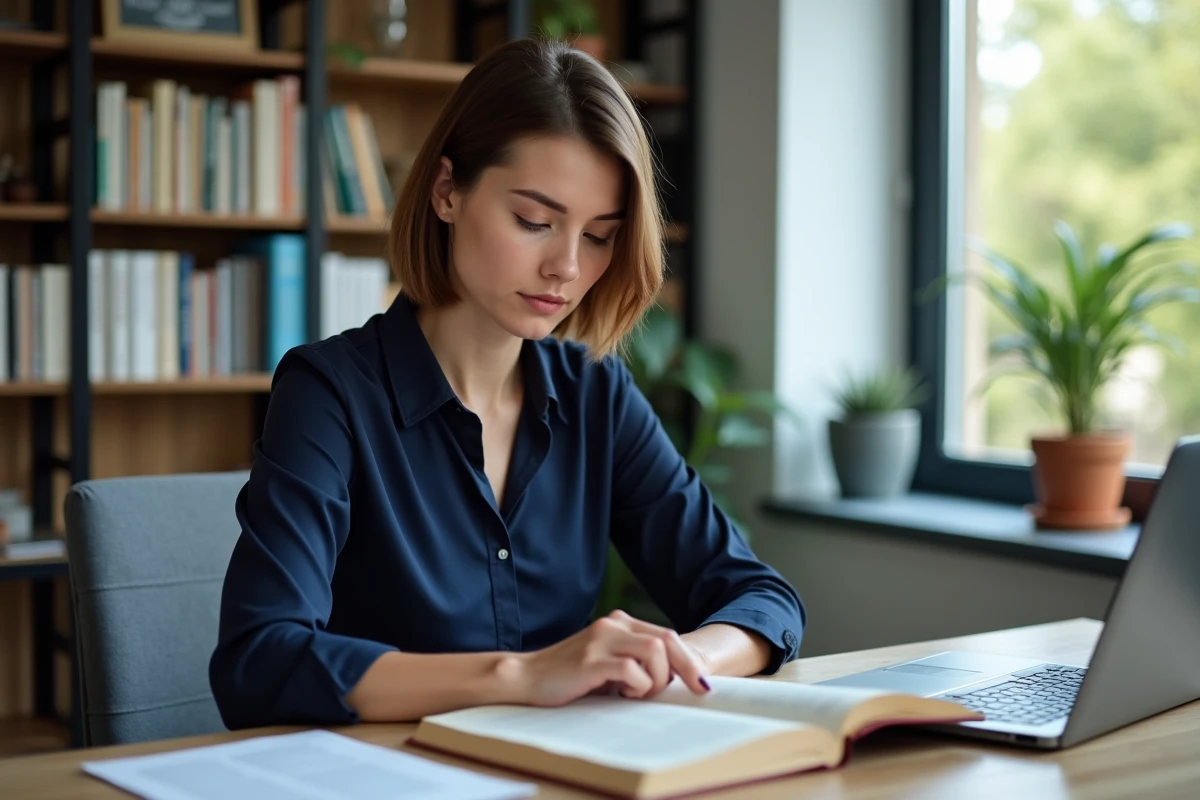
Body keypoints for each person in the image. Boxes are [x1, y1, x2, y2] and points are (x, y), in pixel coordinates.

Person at [209, 37, 805, 730]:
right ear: (446, 192)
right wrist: (522, 675)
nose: (567, 268)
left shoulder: (596, 394)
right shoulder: (329, 393)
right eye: (534, 221)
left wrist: (677, 658)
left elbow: (762, 599)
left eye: (600, 235)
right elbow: (261, 662)